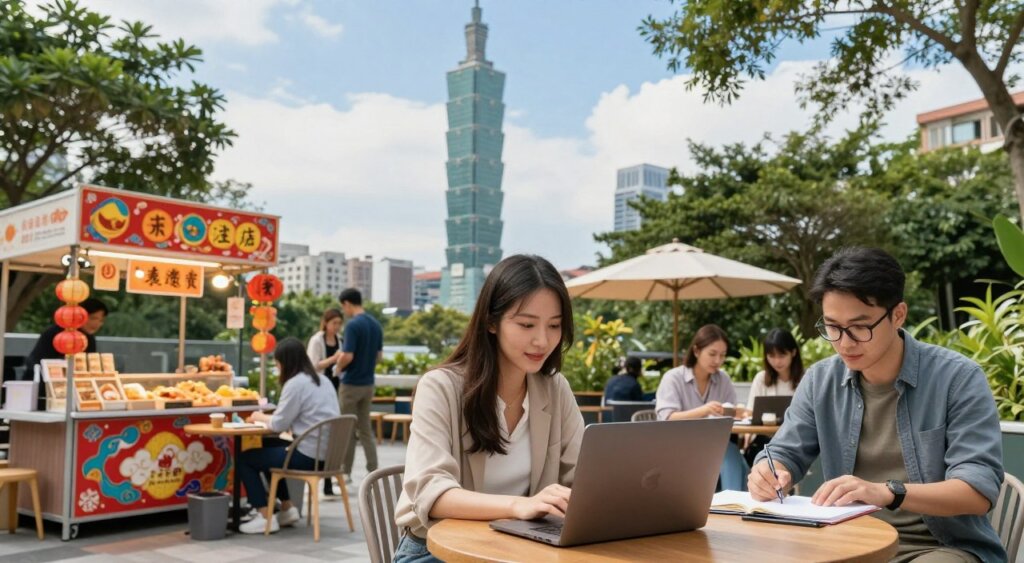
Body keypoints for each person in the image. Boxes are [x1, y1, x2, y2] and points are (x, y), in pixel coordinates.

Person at [749, 247, 1004, 562]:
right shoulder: (820, 381)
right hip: (846, 543)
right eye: (832, 326)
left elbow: (977, 491)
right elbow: (783, 453)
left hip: (939, 548)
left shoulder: (957, 379)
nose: (844, 342)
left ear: (898, 315)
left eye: (860, 327)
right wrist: (768, 471)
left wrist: (888, 492)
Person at [392, 255, 584, 563]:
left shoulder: (554, 389)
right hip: (437, 551)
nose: (542, 340)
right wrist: (517, 506)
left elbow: (583, 477)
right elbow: (432, 492)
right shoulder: (441, 387)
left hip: (520, 549)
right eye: (526, 324)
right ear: (491, 322)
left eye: (555, 326)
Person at [238, 337, 340, 534]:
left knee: (245, 458)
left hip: (308, 456)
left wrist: (257, 416)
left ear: (285, 362)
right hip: (328, 457)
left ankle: (264, 515)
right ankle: (287, 508)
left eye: (277, 363)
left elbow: (278, 424)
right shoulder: (323, 380)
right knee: (269, 449)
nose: (277, 368)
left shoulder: (295, 384)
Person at [655, 324, 749, 491]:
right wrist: (705, 410)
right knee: (734, 459)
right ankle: (733, 505)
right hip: (677, 446)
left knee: (736, 459)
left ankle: (732, 505)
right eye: (712, 354)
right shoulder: (673, 378)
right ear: (696, 351)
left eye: (722, 355)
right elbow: (667, 418)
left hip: (713, 445)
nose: (717, 361)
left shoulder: (723, 379)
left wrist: (738, 413)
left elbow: (731, 414)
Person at [335, 288, 382, 481]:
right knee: (365, 429)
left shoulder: (353, 325)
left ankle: (345, 472)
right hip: (368, 383)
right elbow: (379, 357)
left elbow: (347, 355)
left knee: (347, 428)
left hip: (351, 384)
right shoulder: (376, 324)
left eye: (343, 306)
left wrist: (338, 368)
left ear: (347, 303)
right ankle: (374, 469)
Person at [743, 328, 804, 466]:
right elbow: (751, 413)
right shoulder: (761, 378)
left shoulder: (806, 379)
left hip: (797, 441)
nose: (777, 361)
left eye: (781, 355)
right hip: (765, 441)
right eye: (771, 356)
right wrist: (747, 436)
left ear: (793, 352)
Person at [307, 307, 344, 496]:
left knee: (334, 432)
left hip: (336, 386)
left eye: (339, 323)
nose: (336, 327)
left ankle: (329, 481)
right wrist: (333, 359)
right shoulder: (317, 340)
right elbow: (313, 365)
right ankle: (322, 478)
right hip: (320, 388)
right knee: (323, 429)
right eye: (334, 323)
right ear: (326, 322)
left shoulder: (341, 340)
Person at [24, 297, 108, 376]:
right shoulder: (54, 333)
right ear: (79, 315)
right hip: (42, 379)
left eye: (101, 320)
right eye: (93, 318)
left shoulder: (89, 338)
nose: (97, 324)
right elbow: (37, 362)